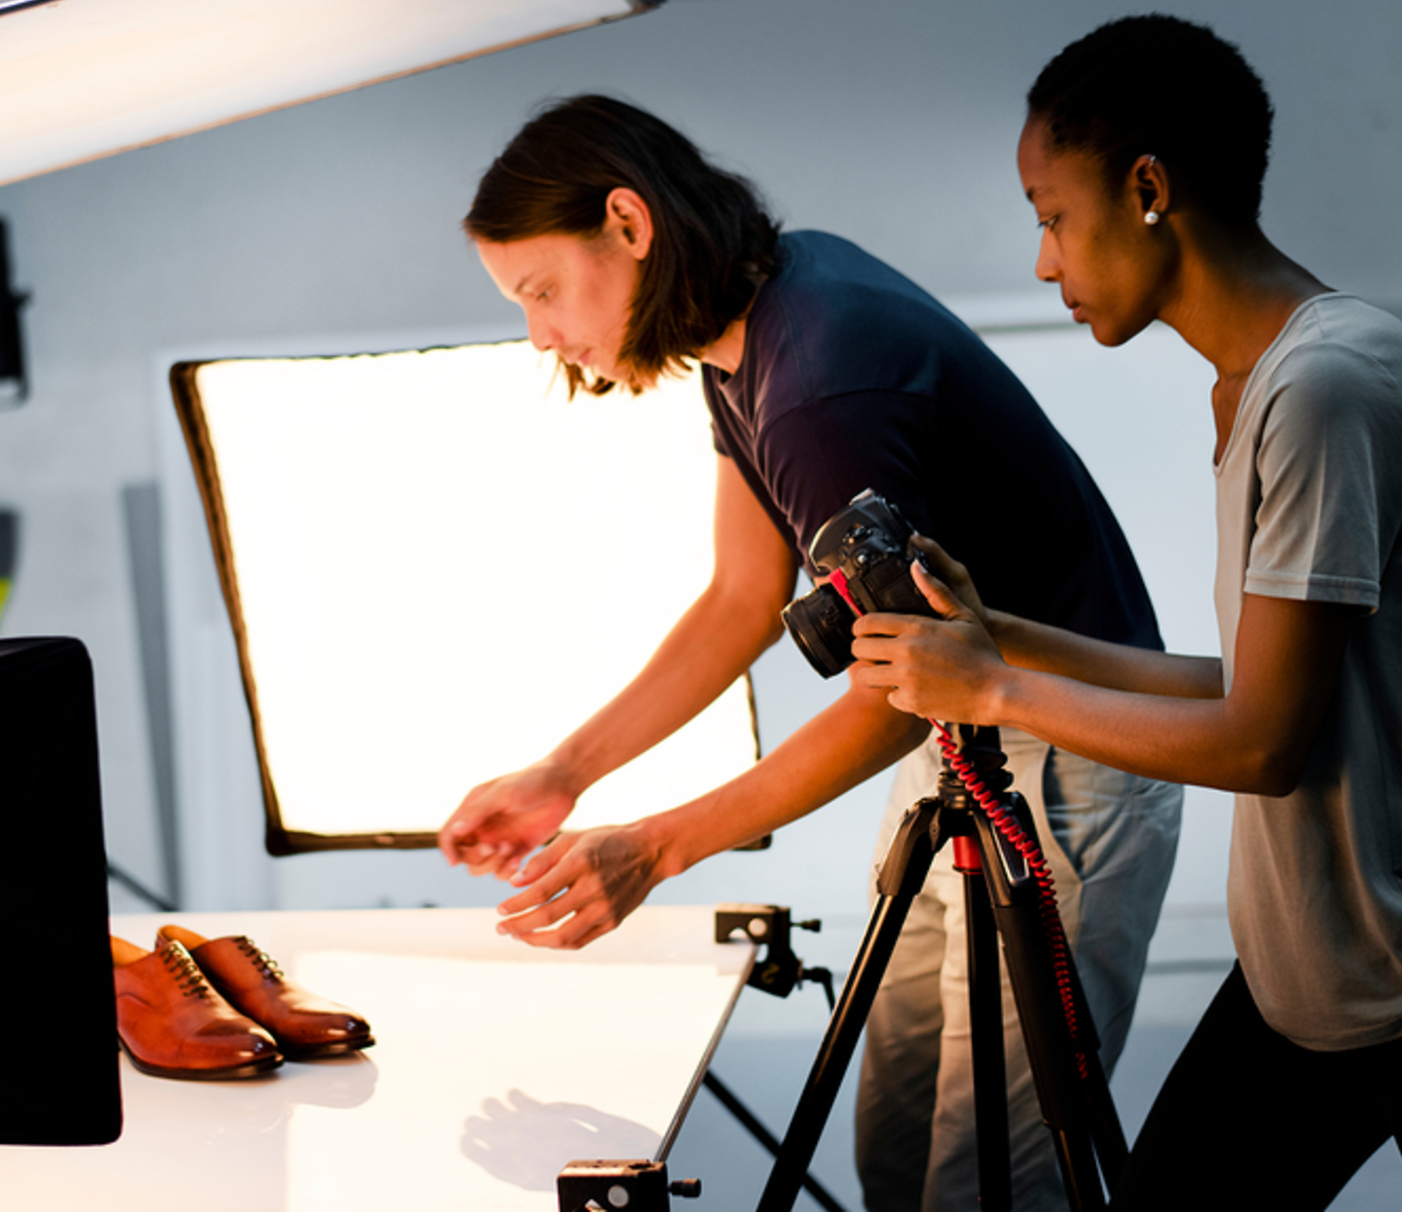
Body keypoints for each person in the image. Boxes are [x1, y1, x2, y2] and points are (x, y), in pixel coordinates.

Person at [438, 93, 1183, 1211]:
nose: (541, 332)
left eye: (540, 291)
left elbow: (902, 680)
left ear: (629, 226)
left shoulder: (817, 384)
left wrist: (654, 846)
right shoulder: (758, 320)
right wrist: (567, 772)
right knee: (895, 1151)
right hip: (969, 738)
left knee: (986, 1188)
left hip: (1068, 749)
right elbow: (744, 594)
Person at [850, 15, 1402, 1209]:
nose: (1046, 260)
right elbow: (1246, 683)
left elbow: (1263, 744)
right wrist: (998, 637)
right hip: (1306, 983)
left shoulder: (1324, 387)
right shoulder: (1255, 388)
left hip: (1399, 988)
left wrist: (993, 690)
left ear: (1148, 187)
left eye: (1051, 215)